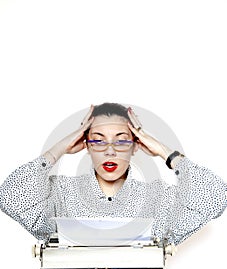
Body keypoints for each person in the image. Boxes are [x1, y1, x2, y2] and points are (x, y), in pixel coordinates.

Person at [0, 103, 226, 245]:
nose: (110, 150)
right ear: (85, 145)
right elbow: (8, 197)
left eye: (121, 140)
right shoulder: (60, 192)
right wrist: (57, 149)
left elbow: (216, 197)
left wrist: (166, 152)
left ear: (136, 145)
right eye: (98, 141)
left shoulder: (158, 197)